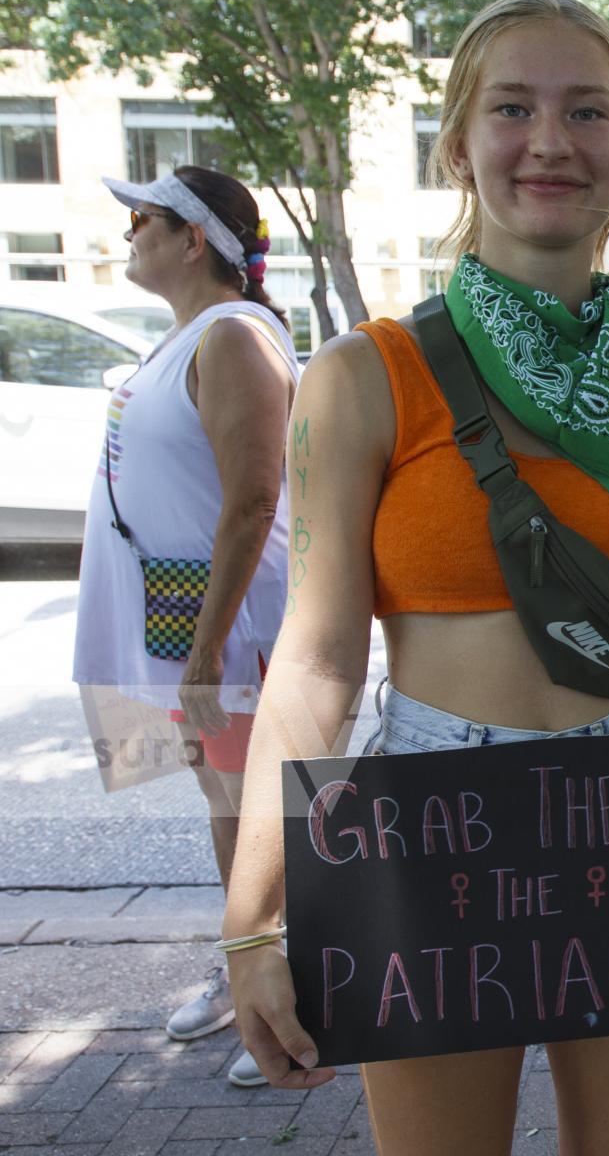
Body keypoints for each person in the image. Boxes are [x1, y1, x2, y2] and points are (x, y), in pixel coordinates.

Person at [220, 0, 609, 1155]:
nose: (551, 142)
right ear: (458, 145)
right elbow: (314, 660)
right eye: (512, 108)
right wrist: (254, 919)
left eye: (589, 111)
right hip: (430, 823)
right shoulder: (365, 376)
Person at [72, 164, 297, 1090]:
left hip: (225, 630)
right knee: (229, 802)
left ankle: (286, 988)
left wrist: (208, 650)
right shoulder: (194, 335)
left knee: (260, 813)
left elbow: (252, 502)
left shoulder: (236, 336)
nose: (130, 234)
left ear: (192, 237)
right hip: (184, 620)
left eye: (144, 220)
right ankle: (257, 968)